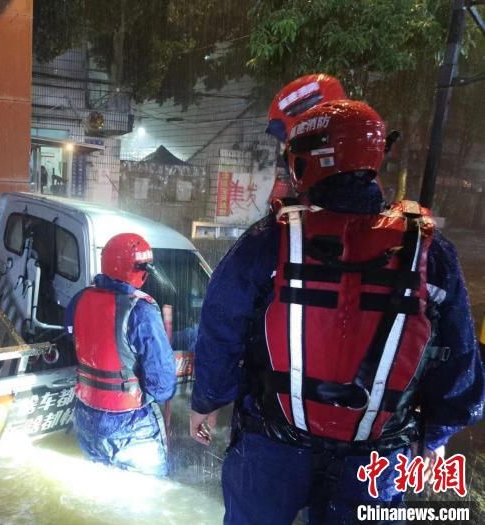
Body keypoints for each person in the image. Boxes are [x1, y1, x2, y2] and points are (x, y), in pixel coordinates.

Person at [190, 99, 484, 524]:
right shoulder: (431, 253)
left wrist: (207, 402)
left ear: (305, 161)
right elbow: (459, 362)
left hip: (272, 450)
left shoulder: (266, 240)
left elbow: (219, 328)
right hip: (375, 461)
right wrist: (436, 434)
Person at [65, 233, 177, 476]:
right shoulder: (141, 310)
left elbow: (76, 339)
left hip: (86, 415)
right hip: (130, 422)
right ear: (138, 270)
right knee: (147, 497)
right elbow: (163, 384)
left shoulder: (79, 299)